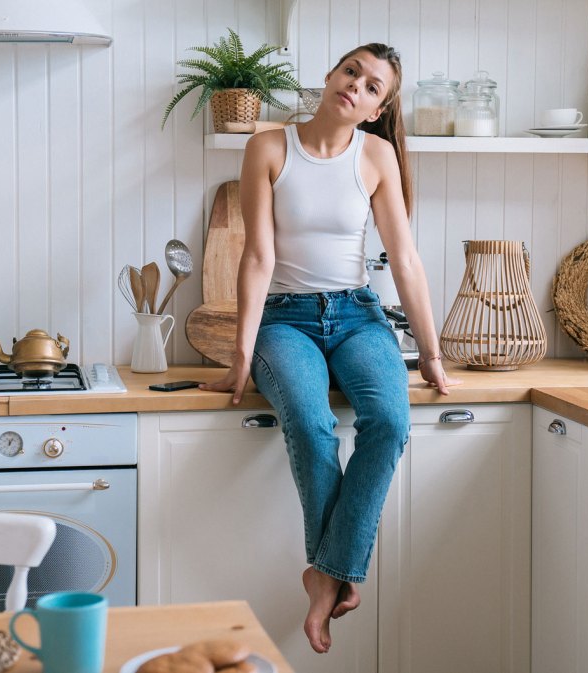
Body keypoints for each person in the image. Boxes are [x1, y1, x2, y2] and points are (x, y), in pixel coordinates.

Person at [200, 43, 459, 654]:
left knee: (390, 422)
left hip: (356, 315)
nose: (357, 87)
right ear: (329, 75)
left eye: (373, 87)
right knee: (312, 422)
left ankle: (325, 572)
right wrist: (242, 355)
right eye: (352, 73)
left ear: (376, 110)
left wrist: (432, 352)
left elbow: (405, 259)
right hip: (284, 321)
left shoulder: (376, 155)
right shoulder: (267, 146)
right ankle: (333, 575)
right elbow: (258, 257)